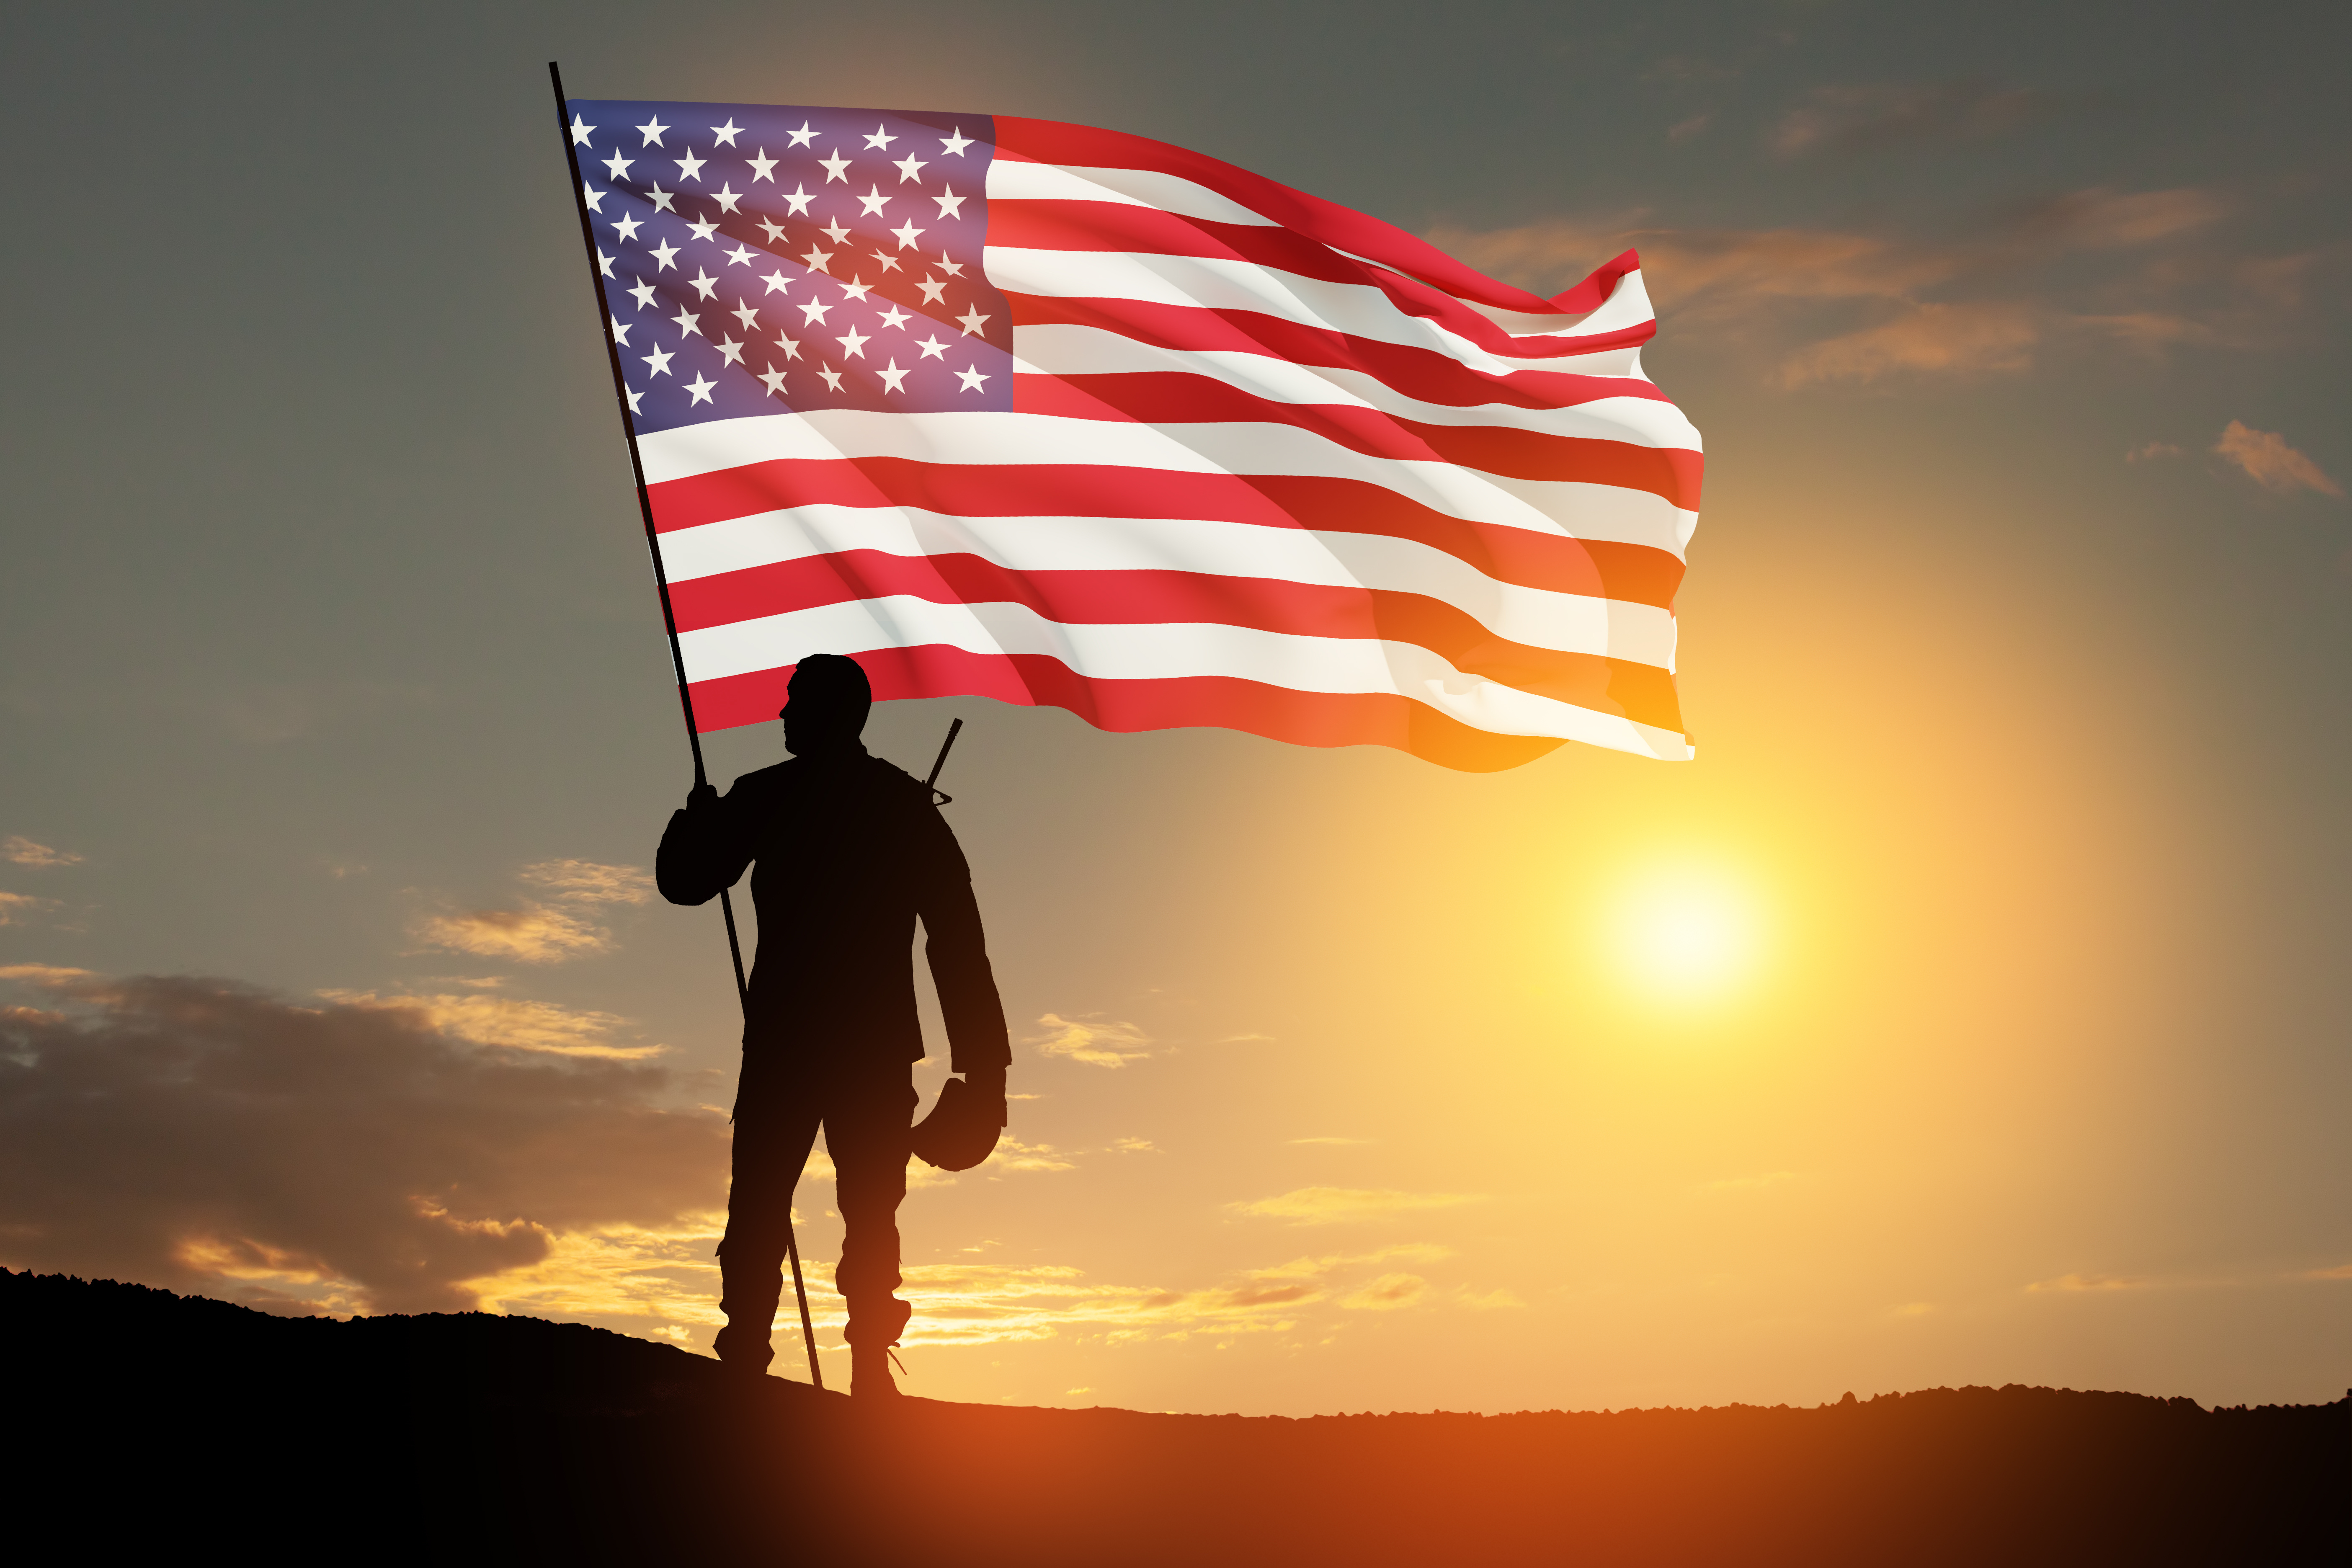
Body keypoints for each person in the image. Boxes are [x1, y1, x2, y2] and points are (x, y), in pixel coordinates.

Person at [656, 653, 1008, 1397]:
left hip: (799, 1041)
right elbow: (959, 946)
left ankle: (759, 1353)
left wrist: (695, 825)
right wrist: (982, 1069)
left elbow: (685, 880)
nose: (782, 715)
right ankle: (835, 1361)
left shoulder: (774, 797)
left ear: (827, 715)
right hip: (857, 1047)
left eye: (794, 704)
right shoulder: (895, 806)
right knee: (846, 1207)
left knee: (779, 1202)